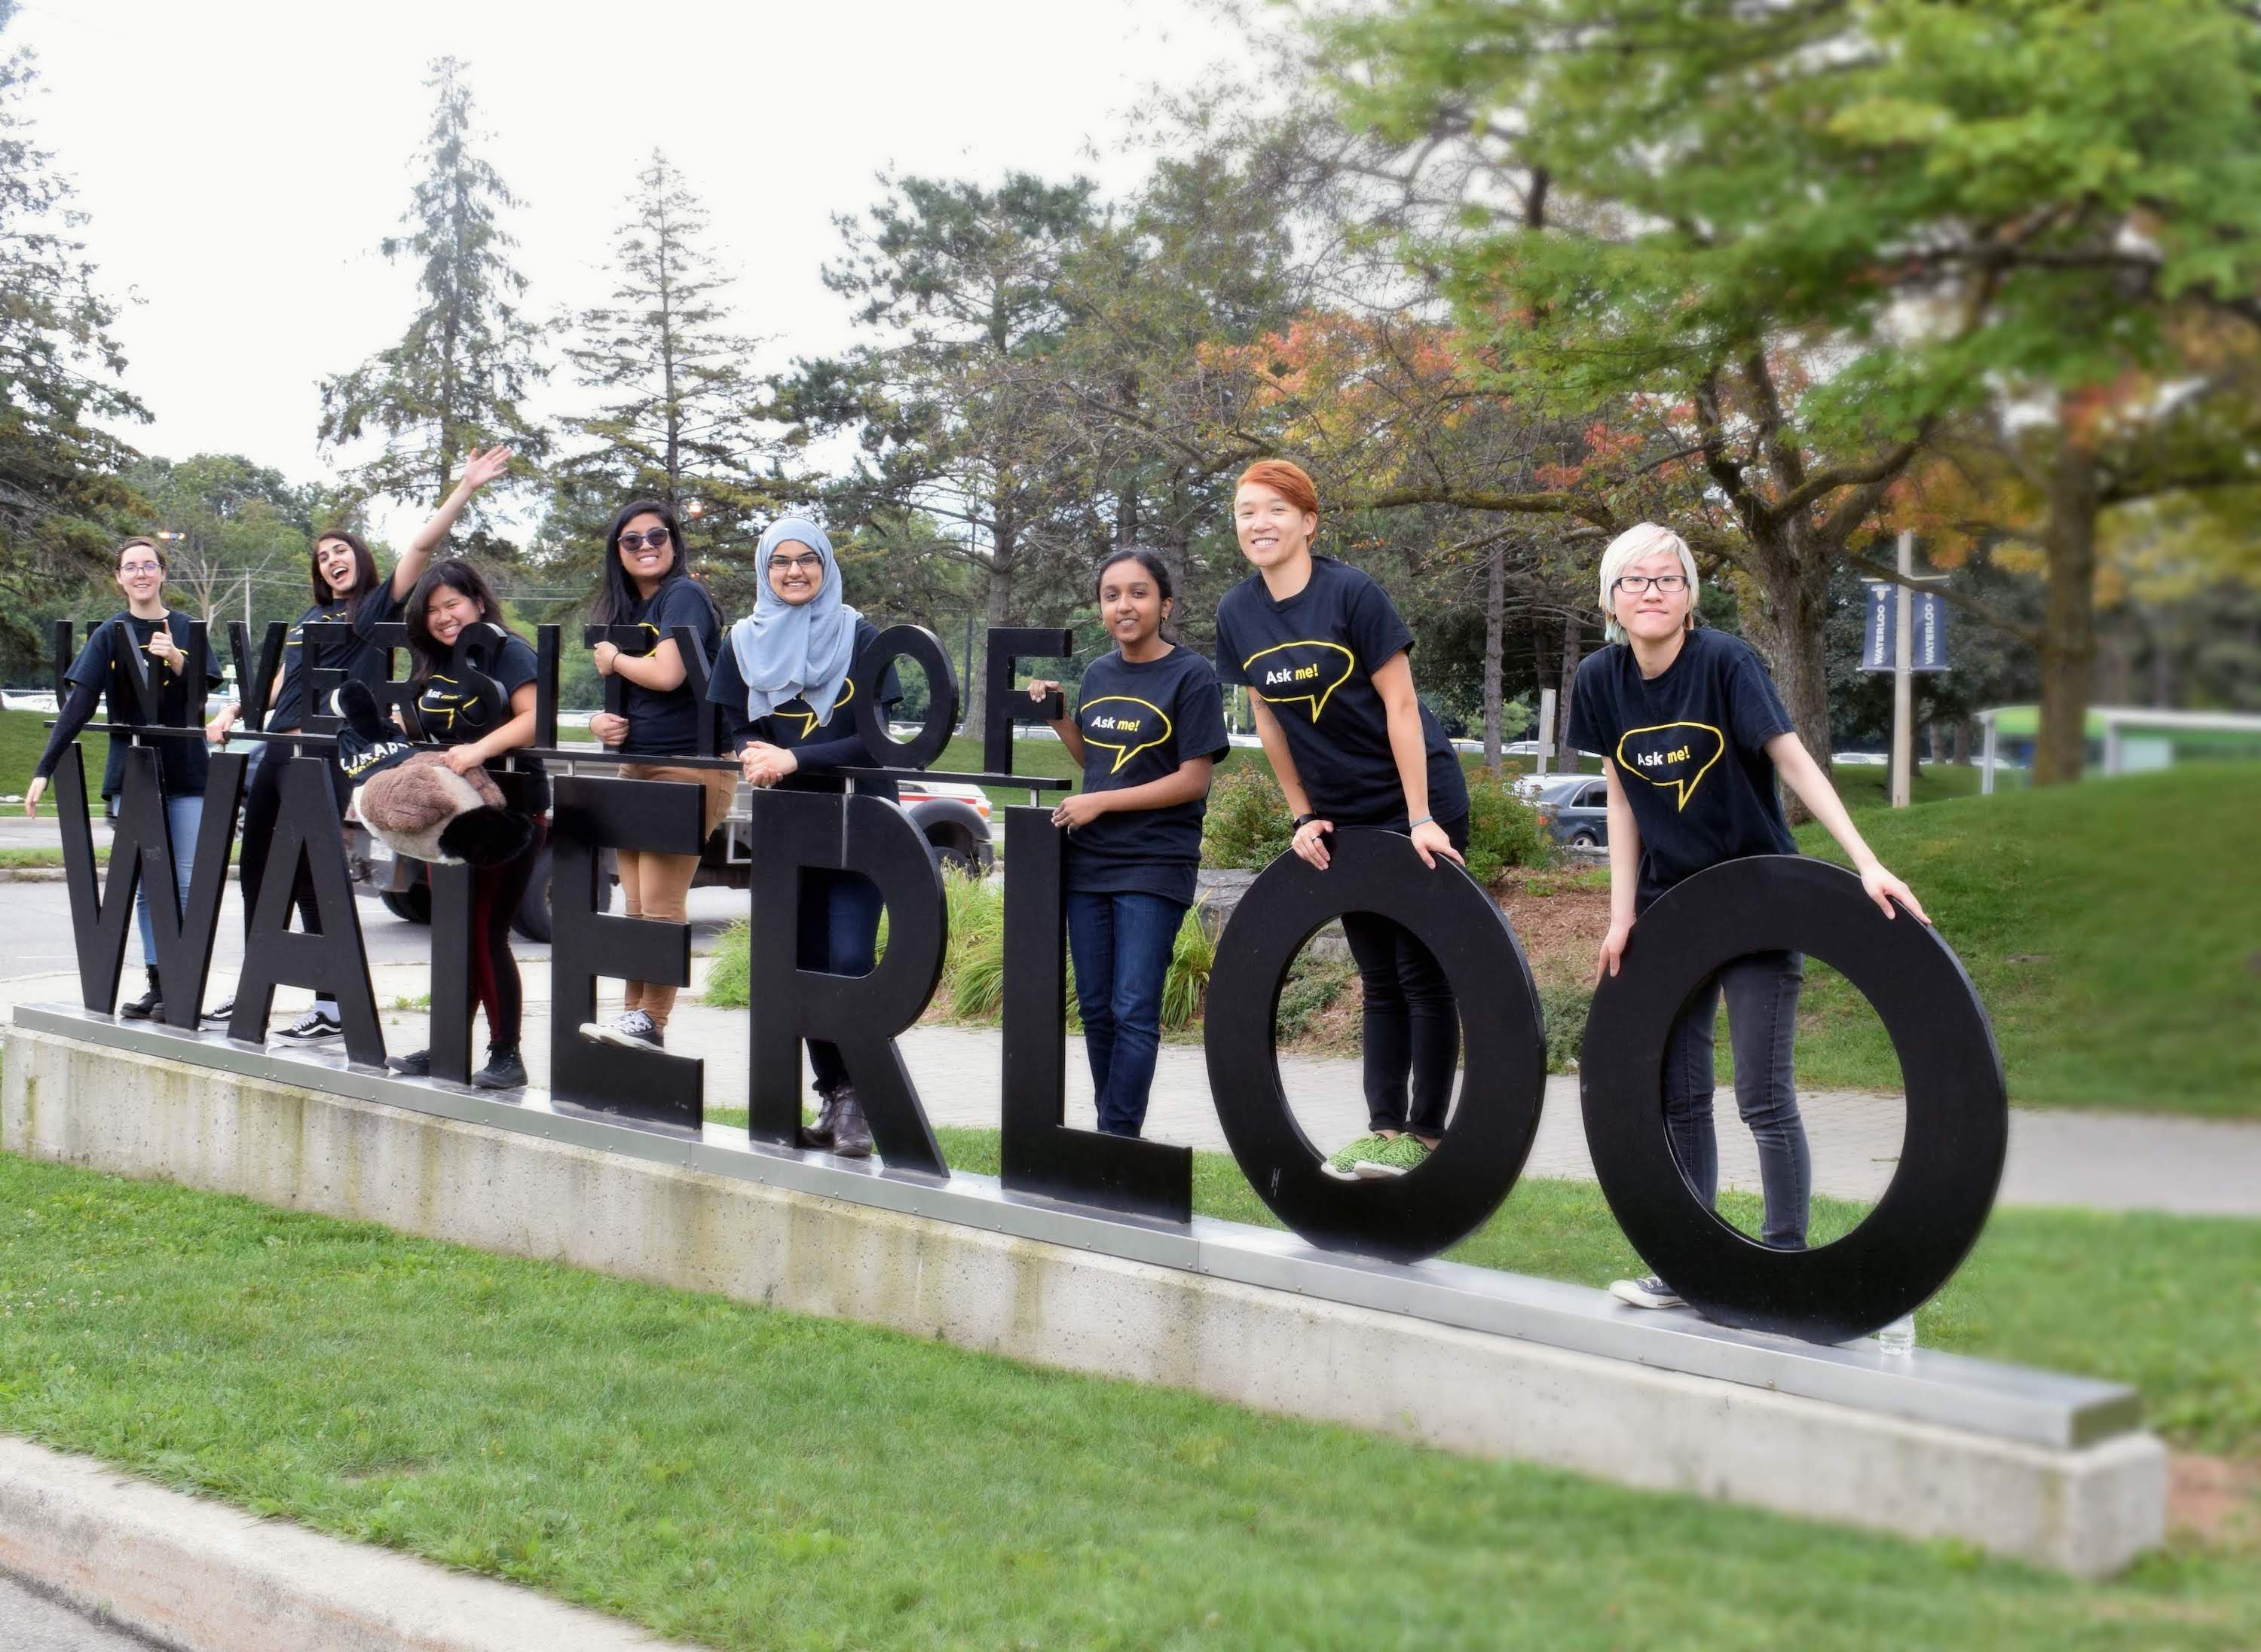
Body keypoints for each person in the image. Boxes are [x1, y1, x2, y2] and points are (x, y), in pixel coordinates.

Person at [1565, 522, 1929, 1308]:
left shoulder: (1726, 661)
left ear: (1690, 595)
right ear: (1610, 599)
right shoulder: (1600, 678)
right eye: (1635, 581)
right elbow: (1621, 794)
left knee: (1763, 1093)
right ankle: (1691, 1266)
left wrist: (1865, 859)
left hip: (1760, 895)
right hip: (1673, 905)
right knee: (1680, 1095)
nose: (1652, 592)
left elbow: (1792, 757)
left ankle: (1782, 1263)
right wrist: (1621, 914)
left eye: (1667, 579)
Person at [1211, 459, 1471, 1181]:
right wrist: (1303, 815)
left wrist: (1419, 817)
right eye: (1244, 512)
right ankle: (1383, 1132)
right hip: (1343, 816)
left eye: (1274, 510)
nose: (1258, 524)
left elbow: (1401, 708)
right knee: (1378, 975)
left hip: (1418, 801)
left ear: (1308, 521)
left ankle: (1425, 1135)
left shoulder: (1351, 592)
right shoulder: (1238, 613)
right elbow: (1268, 719)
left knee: (1421, 971)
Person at [204, 446, 512, 1039]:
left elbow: (420, 549)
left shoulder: (370, 612)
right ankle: (254, 993)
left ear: (360, 559)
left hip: (322, 756)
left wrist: (465, 487)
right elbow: (279, 680)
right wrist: (236, 709)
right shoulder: (307, 620)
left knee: (315, 874)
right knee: (260, 874)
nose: (331, 561)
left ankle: (331, 1005)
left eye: (340, 551)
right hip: (276, 750)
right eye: (322, 557)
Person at [707, 518, 895, 1159]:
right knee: (801, 963)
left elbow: (876, 740)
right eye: (780, 561)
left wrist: (793, 760)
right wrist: (751, 752)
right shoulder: (742, 641)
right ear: (764, 569)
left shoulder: (860, 634)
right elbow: (733, 725)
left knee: (846, 959)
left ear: (826, 564)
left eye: (807, 560)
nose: (793, 572)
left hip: (859, 825)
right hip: (790, 831)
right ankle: (841, 1095)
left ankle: (863, 1093)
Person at [1026, 547, 1228, 1137]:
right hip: (1090, 861)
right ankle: (1110, 1132)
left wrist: (1102, 802)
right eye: (1112, 595)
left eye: (1138, 593)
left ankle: (1117, 1140)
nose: (1124, 605)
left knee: (1134, 1010)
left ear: (1165, 604)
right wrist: (1063, 719)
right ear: (1101, 609)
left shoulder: (1190, 676)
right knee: (1095, 1009)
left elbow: (1193, 780)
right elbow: (1101, 765)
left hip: (1155, 862)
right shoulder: (1098, 675)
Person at [27, 537, 227, 1020]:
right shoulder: (110, 633)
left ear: (162, 574)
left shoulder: (184, 627)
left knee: (181, 882)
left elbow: (203, 697)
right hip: (132, 774)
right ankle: (159, 985)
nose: (140, 574)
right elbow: (79, 702)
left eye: (149, 566)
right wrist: (44, 768)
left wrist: (178, 659)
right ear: (119, 578)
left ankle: (184, 983)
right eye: (130, 567)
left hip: (186, 772)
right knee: (141, 884)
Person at [384, 559, 549, 1091]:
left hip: (509, 811)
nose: (443, 617)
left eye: (451, 603)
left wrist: (478, 749)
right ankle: (449, 1043)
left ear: (477, 601)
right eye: (431, 610)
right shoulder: (437, 664)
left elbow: (534, 716)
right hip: (447, 818)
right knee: (456, 933)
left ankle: (507, 1053)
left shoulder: (507, 649)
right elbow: (426, 726)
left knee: (485, 932)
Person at [577, 498, 732, 1052]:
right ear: (616, 553)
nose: (646, 547)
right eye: (632, 540)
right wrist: (600, 720)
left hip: (688, 765)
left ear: (674, 541)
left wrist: (612, 659)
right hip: (636, 763)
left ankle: (654, 1018)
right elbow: (625, 702)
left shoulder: (683, 594)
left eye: (656, 536)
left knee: (661, 905)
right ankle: (634, 1020)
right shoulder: (628, 613)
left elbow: (667, 675)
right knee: (636, 906)